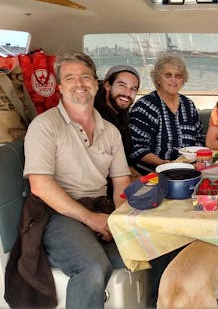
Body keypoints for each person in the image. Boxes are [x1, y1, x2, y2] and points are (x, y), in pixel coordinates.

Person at [18, 52, 132, 308]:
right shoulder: (44, 125)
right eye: (70, 78)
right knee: (92, 267)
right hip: (55, 213)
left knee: (145, 251)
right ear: (59, 87)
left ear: (96, 82)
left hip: (101, 208)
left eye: (85, 77)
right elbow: (40, 186)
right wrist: (90, 219)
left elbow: (121, 183)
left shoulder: (110, 131)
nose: (79, 83)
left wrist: (120, 220)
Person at [129, 52, 204, 174]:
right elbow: (137, 148)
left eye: (178, 76)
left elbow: (198, 137)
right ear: (158, 79)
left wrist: (194, 159)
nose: (174, 80)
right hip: (153, 171)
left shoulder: (188, 105)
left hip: (187, 168)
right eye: (168, 75)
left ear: (183, 79)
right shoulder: (144, 106)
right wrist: (162, 163)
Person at [94, 65, 141, 182]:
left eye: (133, 89)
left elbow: (125, 160)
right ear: (107, 85)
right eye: (122, 85)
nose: (127, 93)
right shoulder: (94, 116)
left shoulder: (122, 113)